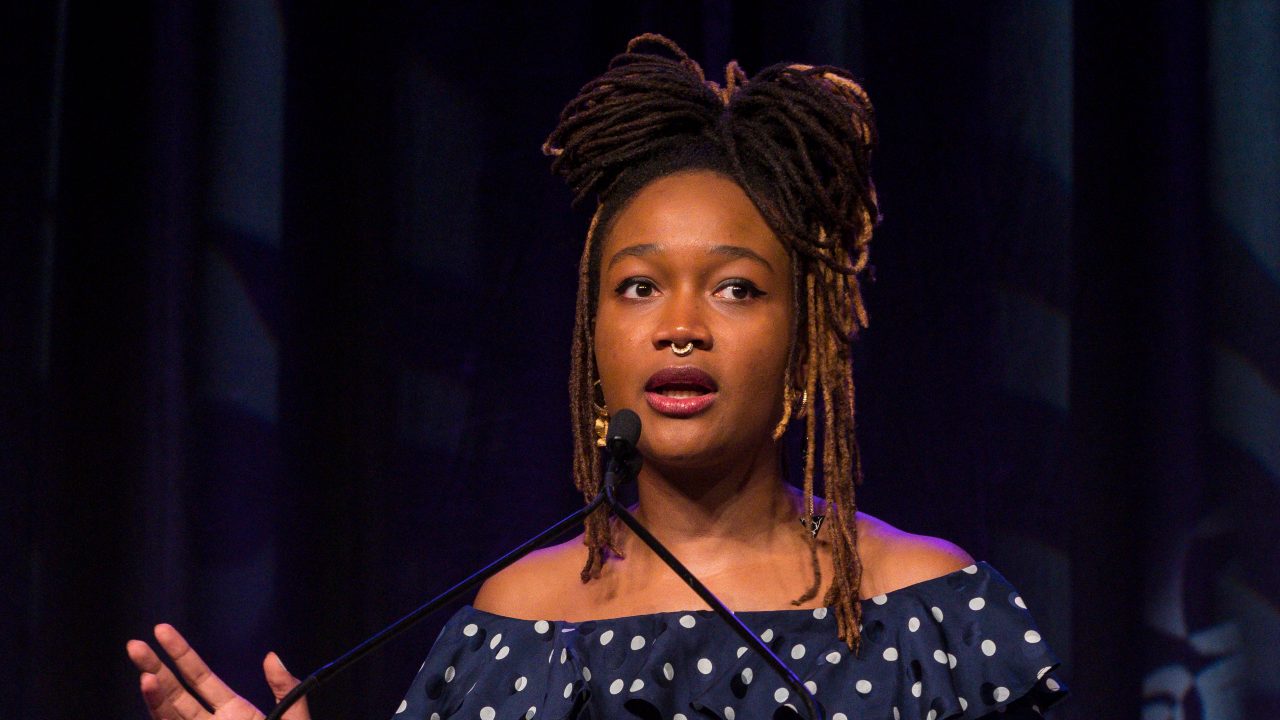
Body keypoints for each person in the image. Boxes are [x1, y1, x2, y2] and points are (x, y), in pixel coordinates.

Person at [126, 34, 1066, 720]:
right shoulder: (511, 627)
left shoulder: (929, 612)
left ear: (806, 334)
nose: (682, 328)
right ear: (594, 333)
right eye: (640, 287)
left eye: (736, 289)